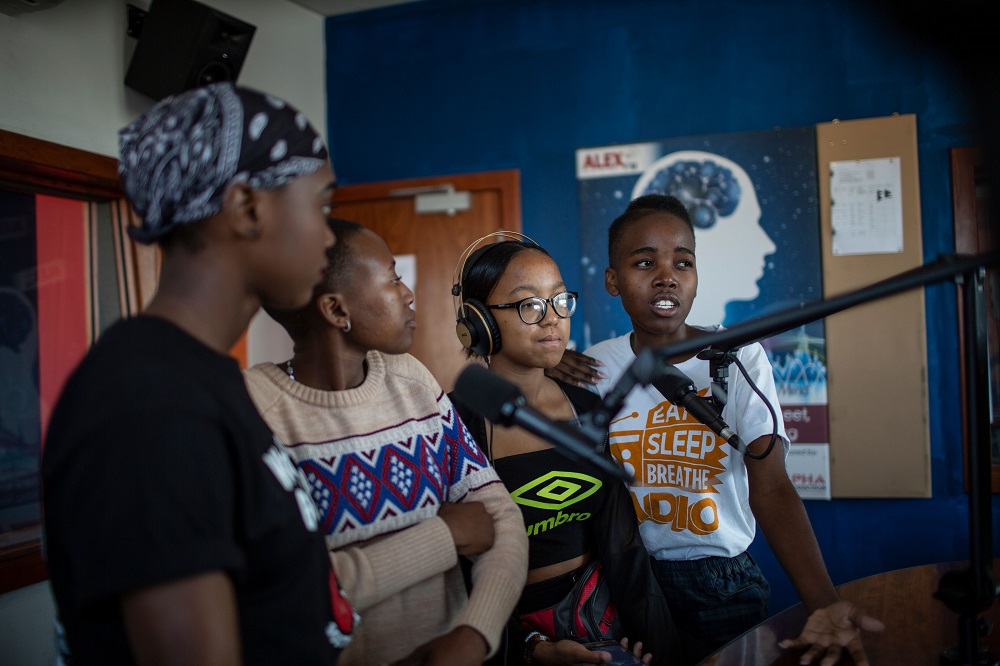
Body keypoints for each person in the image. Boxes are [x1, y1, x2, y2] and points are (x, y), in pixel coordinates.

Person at [42, 82, 354, 664]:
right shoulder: (146, 402)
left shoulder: (198, 378)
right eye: (321, 205)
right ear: (246, 207)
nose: (330, 234)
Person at [550, 194, 885, 665]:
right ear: (613, 280)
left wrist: (824, 602)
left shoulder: (737, 357)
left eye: (682, 262)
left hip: (721, 583)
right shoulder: (595, 366)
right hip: (630, 577)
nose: (666, 275)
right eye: (645, 262)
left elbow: (770, 488)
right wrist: (544, 362)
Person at [243, 218, 528, 666]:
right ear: (337, 311)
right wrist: (445, 536)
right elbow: (282, 590)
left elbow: (500, 519)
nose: (408, 293)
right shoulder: (253, 412)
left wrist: (474, 634)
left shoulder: (411, 380)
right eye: (393, 278)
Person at [447, 235, 679, 666]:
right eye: (528, 305)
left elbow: (623, 545)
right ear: (479, 321)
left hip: (602, 617)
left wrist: (651, 643)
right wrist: (531, 648)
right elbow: (455, 575)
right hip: (506, 633)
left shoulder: (588, 408)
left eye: (558, 301)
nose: (551, 319)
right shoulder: (454, 424)